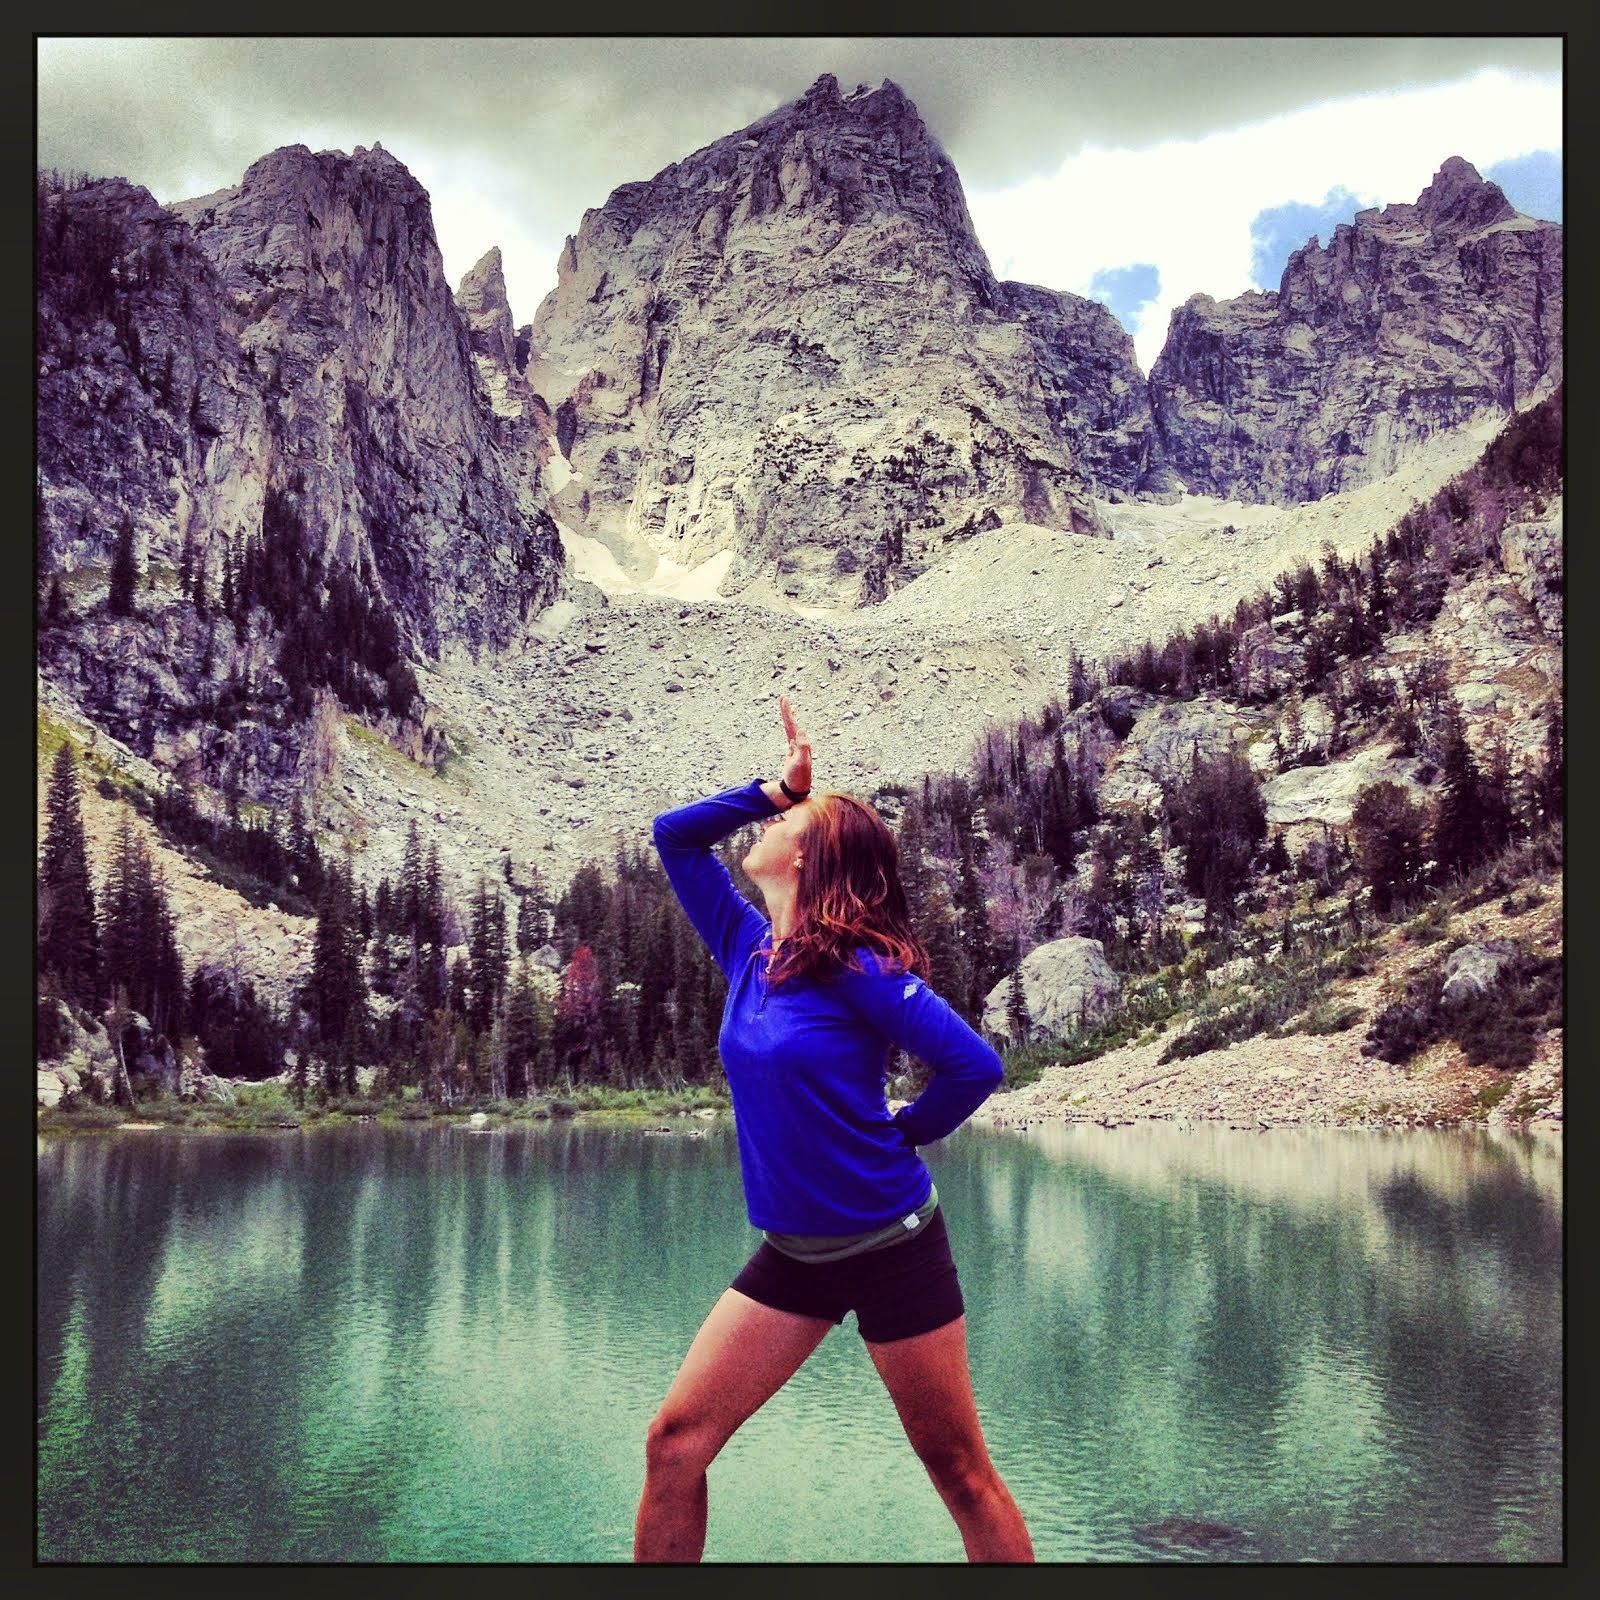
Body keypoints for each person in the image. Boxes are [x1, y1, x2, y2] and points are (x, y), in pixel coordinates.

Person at [633, 695, 1034, 1563]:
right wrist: (774, 790)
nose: (771, 828)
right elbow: (673, 835)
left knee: (961, 1475)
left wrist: (904, 1134)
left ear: (812, 858)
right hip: (795, 1255)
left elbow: (976, 1067)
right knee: (675, 1446)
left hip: (893, 1247)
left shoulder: (858, 967)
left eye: (793, 820)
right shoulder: (745, 946)